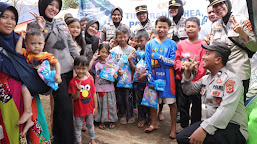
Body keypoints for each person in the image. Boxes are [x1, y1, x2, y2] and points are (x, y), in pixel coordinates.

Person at [27, 0, 80, 143]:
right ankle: (68, 140)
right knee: (64, 108)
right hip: (55, 74)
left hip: (70, 70)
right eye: (51, 5)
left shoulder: (62, 23)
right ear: (43, 5)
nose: (54, 9)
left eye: (57, 6)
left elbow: (71, 45)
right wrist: (42, 29)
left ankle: (59, 138)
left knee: (64, 107)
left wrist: (80, 63)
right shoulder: (33, 26)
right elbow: (36, 50)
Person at [176, 42, 248, 144]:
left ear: (218, 60)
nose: (203, 57)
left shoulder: (231, 80)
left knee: (187, 139)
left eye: (207, 54)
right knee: (182, 136)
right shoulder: (206, 78)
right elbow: (188, 90)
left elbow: (226, 109)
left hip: (233, 127)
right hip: (214, 124)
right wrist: (187, 72)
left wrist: (204, 129)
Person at [0, 2, 50, 143]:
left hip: (27, 91)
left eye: (13, 18)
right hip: (6, 96)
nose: (10, 22)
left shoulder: (19, 38)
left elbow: (37, 49)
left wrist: (42, 29)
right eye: (4, 17)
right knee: (9, 129)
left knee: (33, 127)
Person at [15, 29, 62, 135]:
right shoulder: (27, 53)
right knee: (27, 97)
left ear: (44, 43)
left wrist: (58, 74)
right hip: (30, 80)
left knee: (24, 88)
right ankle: (29, 120)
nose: (36, 46)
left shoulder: (46, 55)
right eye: (33, 43)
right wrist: (21, 37)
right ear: (26, 44)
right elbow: (18, 50)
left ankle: (28, 112)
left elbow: (57, 63)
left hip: (39, 82)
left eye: (39, 43)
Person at [209, 0, 257, 102]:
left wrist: (242, 33)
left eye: (221, 3)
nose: (218, 7)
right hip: (222, 74)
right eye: (215, 6)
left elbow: (254, 47)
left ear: (227, 3)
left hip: (239, 73)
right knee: (223, 106)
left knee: (239, 106)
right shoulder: (215, 25)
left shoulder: (242, 20)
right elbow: (212, 50)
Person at [144, 16, 177, 139]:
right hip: (153, 76)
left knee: (171, 103)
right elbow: (147, 62)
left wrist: (159, 57)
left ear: (169, 28)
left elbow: (172, 62)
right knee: (153, 102)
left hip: (168, 79)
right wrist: (149, 78)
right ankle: (153, 124)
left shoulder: (172, 44)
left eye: (164, 27)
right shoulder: (149, 44)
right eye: (159, 27)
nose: (161, 29)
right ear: (155, 27)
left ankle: (173, 128)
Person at [174, 17, 206, 128]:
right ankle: (184, 128)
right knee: (183, 105)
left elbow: (203, 64)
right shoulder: (180, 44)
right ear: (185, 29)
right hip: (182, 80)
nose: (190, 29)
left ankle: (195, 128)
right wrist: (183, 67)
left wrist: (196, 79)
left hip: (196, 82)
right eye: (188, 26)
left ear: (199, 29)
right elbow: (176, 61)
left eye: (193, 26)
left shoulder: (203, 44)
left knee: (196, 105)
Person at [68, 56, 99, 144]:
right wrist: (78, 90)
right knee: (78, 127)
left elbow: (93, 93)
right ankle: (79, 142)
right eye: (78, 68)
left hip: (89, 109)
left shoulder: (90, 80)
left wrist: (96, 107)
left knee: (90, 125)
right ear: (74, 68)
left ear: (87, 68)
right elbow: (74, 98)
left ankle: (92, 140)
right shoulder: (72, 82)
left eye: (83, 68)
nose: (80, 71)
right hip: (78, 110)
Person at [110, 26, 136, 124]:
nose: (122, 39)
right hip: (118, 79)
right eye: (120, 37)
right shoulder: (114, 50)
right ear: (116, 37)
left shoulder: (132, 50)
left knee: (129, 97)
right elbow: (112, 65)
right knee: (120, 98)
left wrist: (134, 77)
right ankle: (123, 114)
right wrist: (117, 72)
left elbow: (134, 65)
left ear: (128, 36)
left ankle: (130, 115)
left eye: (124, 37)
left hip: (129, 80)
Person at [89, 42, 118, 129]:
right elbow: (88, 69)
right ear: (99, 52)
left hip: (109, 89)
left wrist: (115, 76)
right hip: (99, 89)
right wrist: (93, 59)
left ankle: (111, 120)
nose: (104, 54)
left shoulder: (111, 63)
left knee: (110, 105)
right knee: (100, 105)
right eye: (102, 52)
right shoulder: (96, 63)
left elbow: (115, 75)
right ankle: (101, 121)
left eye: (106, 52)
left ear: (109, 53)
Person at [128, 30, 150, 128]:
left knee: (149, 101)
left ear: (148, 40)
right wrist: (130, 60)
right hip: (138, 83)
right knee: (139, 101)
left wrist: (145, 74)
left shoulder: (150, 52)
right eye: (137, 41)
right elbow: (133, 68)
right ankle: (141, 118)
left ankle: (150, 118)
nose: (139, 43)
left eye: (142, 41)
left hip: (148, 82)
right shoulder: (135, 53)